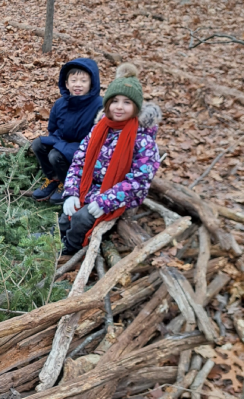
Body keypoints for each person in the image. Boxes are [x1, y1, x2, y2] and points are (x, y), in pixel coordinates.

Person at [60, 63, 162, 255]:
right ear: (107, 104)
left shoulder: (143, 141)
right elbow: (79, 162)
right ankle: (54, 238)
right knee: (68, 213)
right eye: (115, 101)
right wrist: (71, 191)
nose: (119, 107)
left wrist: (105, 201)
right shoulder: (100, 129)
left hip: (118, 196)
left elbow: (138, 182)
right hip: (91, 187)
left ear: (136, 107)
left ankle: (70, 247)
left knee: (82, 218)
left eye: (127, 102)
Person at [31, 58, 102, 204]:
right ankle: (54, 177)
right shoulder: (61, 103)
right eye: (74, 80)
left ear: (91, 83)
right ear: (66, 83)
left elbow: (99, 134)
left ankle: (67, 182)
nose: (78, 84)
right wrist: (57, 142)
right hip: (63, 140)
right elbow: (53, 128)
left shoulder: (98, 105)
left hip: (84, 146)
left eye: (83, 81)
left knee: (55, 155)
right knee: (38, 144)